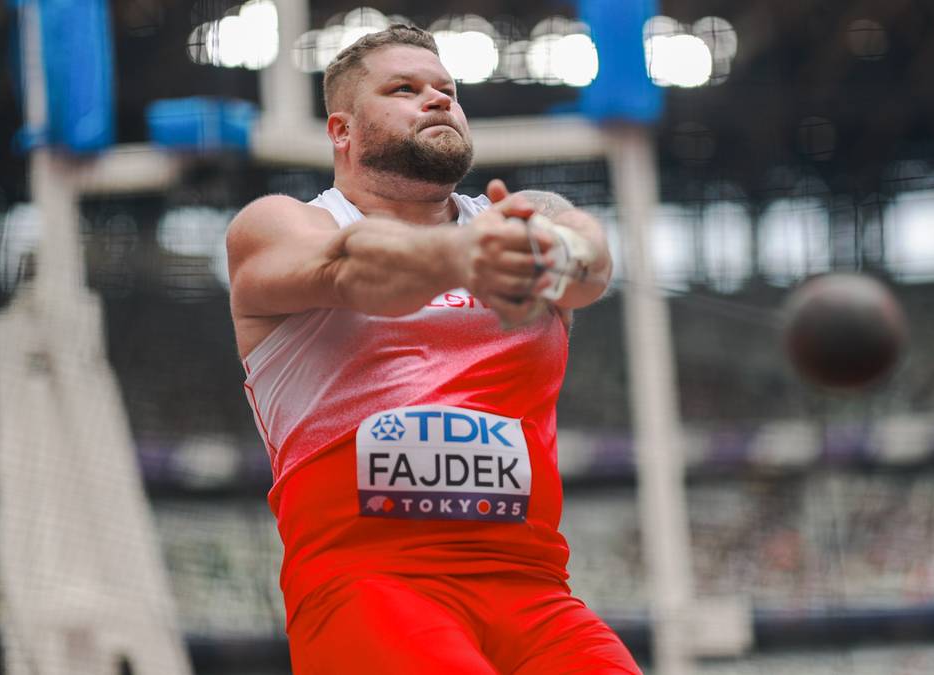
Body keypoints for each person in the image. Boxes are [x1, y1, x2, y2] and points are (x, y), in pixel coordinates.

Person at [225, 24, 639, 674]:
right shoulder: (282, 225)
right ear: (342, 130)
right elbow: (355, 267)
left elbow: (590, 259)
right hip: (369, 588)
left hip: (534, 592)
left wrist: (548, 252)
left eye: (448, 90)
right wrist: (464, 256)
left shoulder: (523, 220)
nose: (438, 99)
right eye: (404, 89)